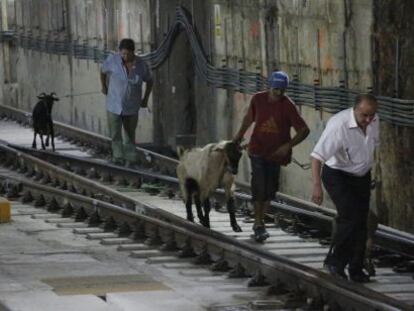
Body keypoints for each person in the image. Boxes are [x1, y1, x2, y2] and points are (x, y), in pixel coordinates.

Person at [233, 71, 310, 242]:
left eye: (282, 90)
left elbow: (304, 130)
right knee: (259, 185)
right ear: (270, 87)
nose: (279, 93)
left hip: (276, 154)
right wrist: (239, 136)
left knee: (270, 189)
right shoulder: (258, 99)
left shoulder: (288, 105)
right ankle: (259, 223)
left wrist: (287, 146)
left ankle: (260, 219)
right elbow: (248, 119)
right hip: (257, 149)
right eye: (276, 89)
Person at [310, 94, 379, 283]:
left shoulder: (373, 120)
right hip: (337, 175)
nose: (368, 120)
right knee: (350, 216)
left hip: (361, 176)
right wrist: (317, 186)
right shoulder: (338, 126)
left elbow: (371, 146)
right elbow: (317, 157)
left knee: (362, 221)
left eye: (371, 116)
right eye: (364, 115)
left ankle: (356, 268)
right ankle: (335, 262)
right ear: (355, 110)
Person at [100, 38, 153, 167]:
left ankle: (130, 159)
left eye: (128, 54)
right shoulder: (113, 60)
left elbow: (150, 80)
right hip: (114, 105)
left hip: (132, 107)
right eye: (123, 53)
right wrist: (104, 86)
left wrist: (145, 99)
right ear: (119, 52)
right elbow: (102, 71)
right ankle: (118, 158)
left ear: (133, 52)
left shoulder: (141, 65)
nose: (125, 56)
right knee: (115, 134)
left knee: (130, 135)